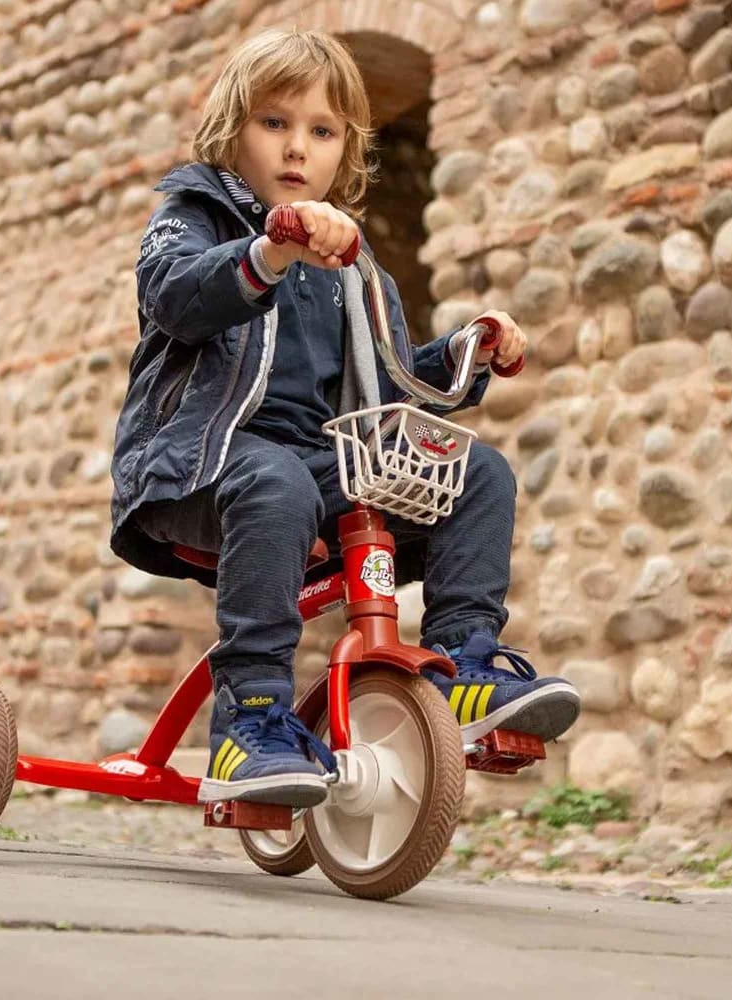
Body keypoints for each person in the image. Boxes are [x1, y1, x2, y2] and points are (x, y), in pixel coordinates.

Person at [110, 29, 580, 807]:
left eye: (321, 132)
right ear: (233, 130)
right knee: (276, 482)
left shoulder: (354, 269)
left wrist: (467, 352)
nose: (298, 148)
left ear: (345, 151)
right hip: (197, 466)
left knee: (480, 473)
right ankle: (250, 721)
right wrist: (266, 254)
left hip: (318, 468)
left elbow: (396, 382)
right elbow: (175, 296)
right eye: (275, 124)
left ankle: (464, 659)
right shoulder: (190, 216)